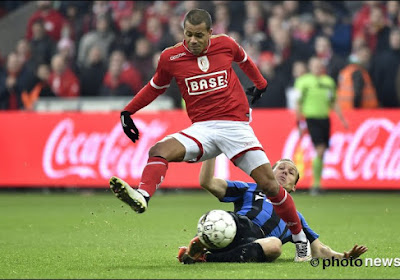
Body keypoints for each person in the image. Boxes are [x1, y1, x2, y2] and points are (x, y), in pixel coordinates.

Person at [110, 8, 311, 258]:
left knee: (270, 185)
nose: (192, 41)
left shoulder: (226, 44)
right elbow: (155, 87)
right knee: (159, 150)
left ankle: (300, 238)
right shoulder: (170, 57)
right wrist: (128, 111)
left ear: (210, 33)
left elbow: (245, 61)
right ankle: (142, 195)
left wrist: (260, 84)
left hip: (235, 126)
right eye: (188, 35)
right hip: (203, 128)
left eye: (198, 35)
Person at [177, 157, 368, 264]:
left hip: (255, 241)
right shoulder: (249, 188)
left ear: (293, 187)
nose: (285, 172)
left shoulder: (296, 219)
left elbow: (319, 251)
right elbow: (207, 182)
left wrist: (344, 258)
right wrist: (212, 151)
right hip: (236, 225)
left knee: (275, 245)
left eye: (291, 172)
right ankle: (202, 242)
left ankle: (204, 256)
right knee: (218, 217)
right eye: (281, 169)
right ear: (269, 173)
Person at [294, 56, 348, 196]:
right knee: (319, 149)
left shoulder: (328, 82)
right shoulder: (303, 82)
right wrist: (299, 122)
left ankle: (318, 183)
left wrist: (342, 118)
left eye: (319, 65)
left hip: (325, 119)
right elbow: (298, 103)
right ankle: (315, 185)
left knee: (323, 151)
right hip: (311, 118)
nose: (317, 68)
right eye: (314, 65)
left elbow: (333, 101)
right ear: (310, 67)